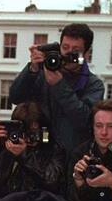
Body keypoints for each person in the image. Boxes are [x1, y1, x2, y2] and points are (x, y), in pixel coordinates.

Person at [9, 24, 104, 154]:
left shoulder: (94, 85)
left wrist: (59, 85)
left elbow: (86, 120)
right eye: (65, 47)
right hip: (38, 154)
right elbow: (15, 97)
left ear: (86, 54)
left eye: (75, 50)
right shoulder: (43, 72)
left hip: (72, 157)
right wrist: (32, 70)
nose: (69, 53)